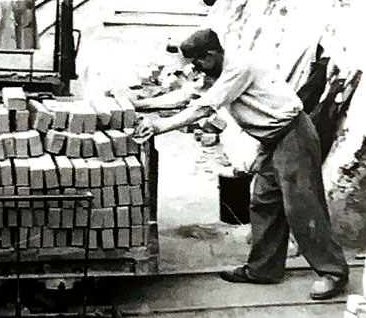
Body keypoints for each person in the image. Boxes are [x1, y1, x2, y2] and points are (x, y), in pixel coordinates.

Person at [135, 28, 349, 300]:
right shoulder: (215, 72)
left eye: (198, 61)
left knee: (302, 205)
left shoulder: (238, 68)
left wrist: (162, 126)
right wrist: (141, 104)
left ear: (211, 55)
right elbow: (188, 95)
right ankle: (263, 269)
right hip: (273, 140)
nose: (195, 68)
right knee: (264, 202)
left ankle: (333, 273)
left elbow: (204, 108)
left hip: (293, 135)